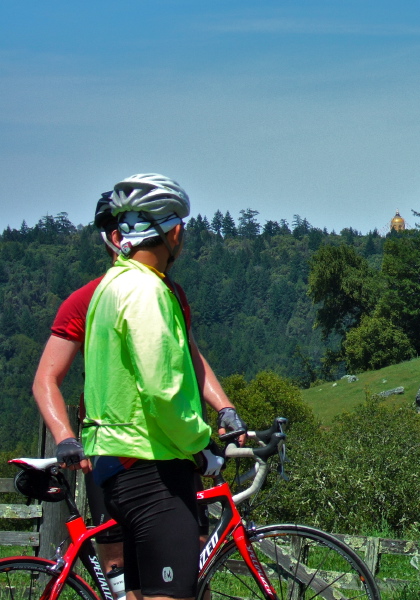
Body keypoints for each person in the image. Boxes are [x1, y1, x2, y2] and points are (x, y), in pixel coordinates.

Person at [32, 192, 247, 581]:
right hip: (128, 447)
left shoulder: (167, 292)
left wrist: (225, 407)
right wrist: (65, 437)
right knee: (118, 564)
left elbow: (191, 358)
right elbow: (47, 377)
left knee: (193, 563)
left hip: (172, 446)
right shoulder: (87, 299)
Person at [81, 174, 241, 600]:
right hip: (154, 470)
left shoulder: (108, 288)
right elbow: (163, 391)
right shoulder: (148, 292)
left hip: (115, 466)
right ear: (173, 233)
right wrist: (201, 446)